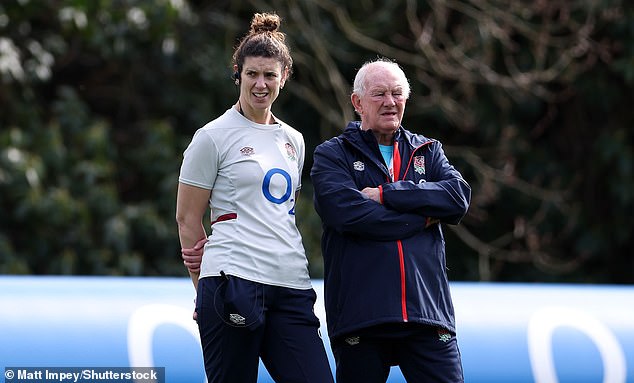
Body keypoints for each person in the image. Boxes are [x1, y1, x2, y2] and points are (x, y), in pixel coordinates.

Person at [175, 12, 334, 383]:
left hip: (292, 285)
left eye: (269, 75)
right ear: (237, 73)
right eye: (252, 74)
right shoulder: (212, 136)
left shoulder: (294, 139)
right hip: (232, 280)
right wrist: (203, 289)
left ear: (284, 78)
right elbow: (187, 219)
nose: (260, 84)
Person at [310, 58, 471, 383]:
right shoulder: (332, 154)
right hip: (361, 317)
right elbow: (347, 214)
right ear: (358, 102)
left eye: (397, 93)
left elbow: (457, 198)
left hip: (427, 315)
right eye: (379, 94)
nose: (390, 102)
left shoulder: (427, 150)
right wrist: (423, 216)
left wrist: (387, 194)